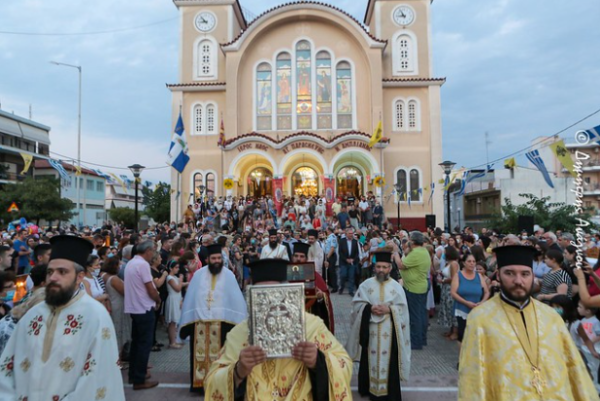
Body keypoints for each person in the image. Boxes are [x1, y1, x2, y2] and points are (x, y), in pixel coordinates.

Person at [458, 245, 597, 400]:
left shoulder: (551, 317)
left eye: (525, 274)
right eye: (509, 273)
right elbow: (472, 377)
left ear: (532, 276)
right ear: (498, 275)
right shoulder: (480, 318)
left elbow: (574, 368)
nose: (518, 281)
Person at [205, 258, 352, 400]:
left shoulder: (312, 326)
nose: (271, 302)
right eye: (262, 295)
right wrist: (238, 372)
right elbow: (212, 381)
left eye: (275, 294)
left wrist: (318, 361)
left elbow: (344, 364)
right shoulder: (238, 334)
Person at [0, 235, 125, 400]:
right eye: (50, 272)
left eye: (62, 272)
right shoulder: (32, 315)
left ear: (79, 277)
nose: (53, 277)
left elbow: (97, 378)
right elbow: (6, 369)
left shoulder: (95, 316)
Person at [179, 244, 247, 393]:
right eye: (213, 258)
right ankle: (199, 385)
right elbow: (192, 298)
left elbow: (235, 300)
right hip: (200, 323)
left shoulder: (229, 275)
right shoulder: (198, 275)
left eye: (218, 258)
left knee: (221, 356)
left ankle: (219, 383)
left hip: (223, 323)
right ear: (207, 259)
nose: (216, 261)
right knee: (199, 355)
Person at [347, 251, 411, 400]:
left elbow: (403, 311)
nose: (381, 270)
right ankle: (369, 389)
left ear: (390, 268)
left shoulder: (396, 287)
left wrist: (390, 309)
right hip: (370, 330)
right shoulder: (366, 285)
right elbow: (356, 306)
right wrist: (368, 308)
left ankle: (390, 393)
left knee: (390, 362)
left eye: (384, 267)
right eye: (378, 267)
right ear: (374, 267)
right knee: (369, 359)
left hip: (390, 331)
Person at [124, 240, 161, 390]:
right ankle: (139, 378)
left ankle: (134, 374)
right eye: (153, 251)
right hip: (144, 307)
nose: (153, 254)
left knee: (136, 343)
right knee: (144, 344)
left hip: (135, 308)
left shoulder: (131, 263)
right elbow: (150, 288)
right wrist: (157, 299)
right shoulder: (143, 265)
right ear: (148, 251)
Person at [292, 242, 335, 333]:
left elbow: (325, 294)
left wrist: (321, 296)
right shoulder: (285, 274)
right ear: (292, 257)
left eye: (302, 256)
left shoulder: (314, 275)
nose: (298, 259)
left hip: (310, 318)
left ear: (306, 259)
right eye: (296, 256)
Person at [398, 231, 431, 350]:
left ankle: (416, 341)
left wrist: (395, 254)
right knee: (421, 313)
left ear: (412, 241)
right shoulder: (422, 251)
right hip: (419, 286)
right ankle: (422, 338)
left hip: (414, 288)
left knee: (415, 316)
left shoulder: (417, 253)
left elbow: (401, 265)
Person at [338, 227, 359, 296]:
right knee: (343, 275)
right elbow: (340, 252)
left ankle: (351, 291)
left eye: (352, 233)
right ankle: (341, 287)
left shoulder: (355, 241)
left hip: (352, 262)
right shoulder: (342, 241)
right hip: (344, 261)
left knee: (351, 276)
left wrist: (353, 259)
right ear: (346, 234)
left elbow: (357, 253)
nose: (351, 235)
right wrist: (346, 259)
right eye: (350, 233)